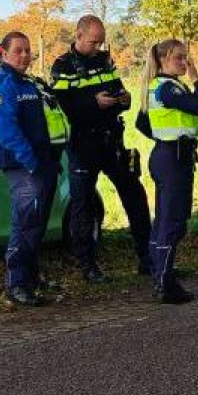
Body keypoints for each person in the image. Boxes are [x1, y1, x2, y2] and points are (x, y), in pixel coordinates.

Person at [49, 15, 153, 283]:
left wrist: (123, 99)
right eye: (93, 42)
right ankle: (87, 265)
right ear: (79, 35)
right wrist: (94, 103)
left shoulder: (105, 61)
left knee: (134, 194)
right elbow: (63, 106)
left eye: (101, 42)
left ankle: (148, 257)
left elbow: (118, 91)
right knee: (82, 204)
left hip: (111, 139)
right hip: (83, 143)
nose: (97, 47)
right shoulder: (63, 66)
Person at [0, 31, 65, 307]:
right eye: (18, 50)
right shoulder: (1, 85)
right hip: (22, 165)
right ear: (4, 54)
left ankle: (30, 278)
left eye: (28, 50)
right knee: (25, 223)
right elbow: (7, 130)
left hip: (43, 162)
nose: (25, 56)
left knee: (37, 224)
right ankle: (16, 284)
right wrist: (31, 162)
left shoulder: (29, 84)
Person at [139, 39, 198, 304]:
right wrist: (197, 80)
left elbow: (141, 122)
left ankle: (160, 271)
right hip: (173, 159)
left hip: (168, 155)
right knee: (173, 221)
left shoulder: (159, 86)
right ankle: (164, 281)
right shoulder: (168, 88)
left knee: (165, 219)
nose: (185, 63)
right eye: (179, 58)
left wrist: (162, 137)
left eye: (186, 58)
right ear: (164, 59)